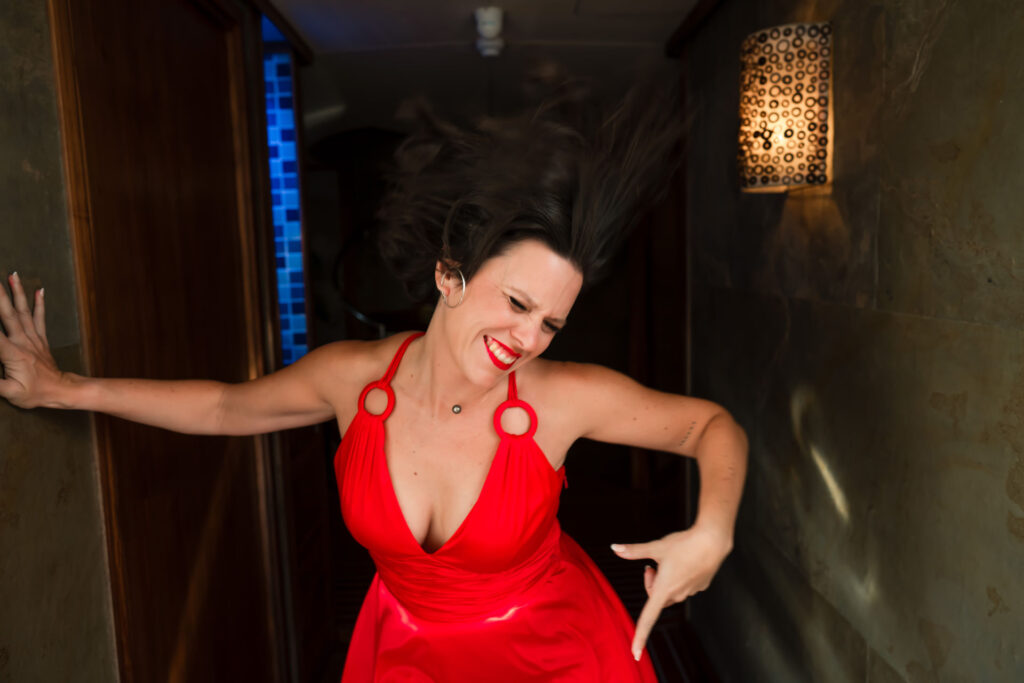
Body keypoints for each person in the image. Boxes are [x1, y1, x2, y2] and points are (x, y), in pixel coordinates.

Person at [0, 77, 747, 681]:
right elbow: (226, 406)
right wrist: (65, 389)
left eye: (551, 323)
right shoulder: (352, 380)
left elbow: (712, 427)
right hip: (406, 658)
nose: (528, 339)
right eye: (518, 304)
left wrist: (711, 531)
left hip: (555, 659)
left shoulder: (560, 398)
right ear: (450, 274)